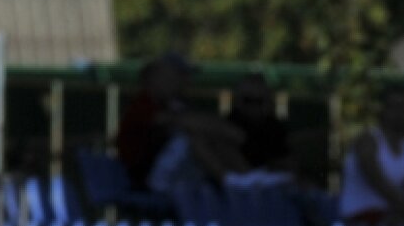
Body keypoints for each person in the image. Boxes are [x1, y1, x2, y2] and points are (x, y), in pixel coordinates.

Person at [115, 52, 249, 198]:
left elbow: (230, 133)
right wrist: (224, 130)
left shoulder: (175, 104)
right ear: (157, 76)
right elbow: (184, 123)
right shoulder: (142, 103)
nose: (185, 81)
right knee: (192, 137)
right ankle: (232, 183)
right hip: (147, 181)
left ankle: (248, 180)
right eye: (179, 75)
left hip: (177, 177)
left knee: (211, 138)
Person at [337, 89, 404, 226]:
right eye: (397, 107)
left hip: (393, 216)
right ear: (383, 111)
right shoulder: (368, 140)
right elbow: (380, 184)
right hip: (361, 218)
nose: (402, 113)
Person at [226, 72, 295, 178]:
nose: (253, 107)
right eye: (248, 100)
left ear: (268, 102)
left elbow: (288, 167)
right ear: (237, 101)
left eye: (259, 101)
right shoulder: (226, 127)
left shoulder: (275, 129)